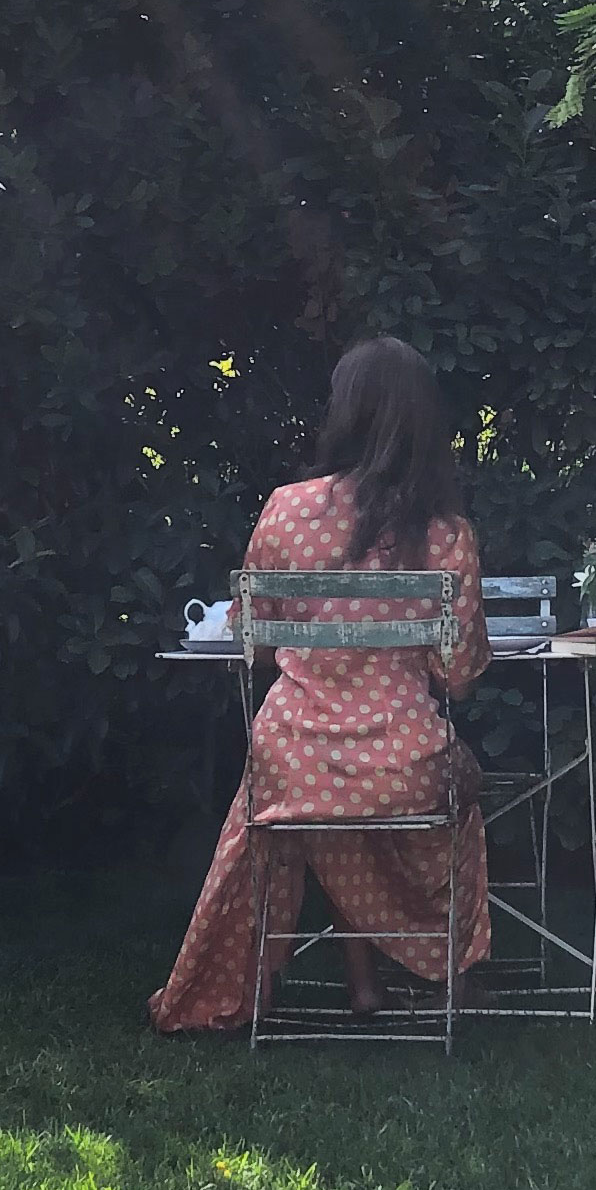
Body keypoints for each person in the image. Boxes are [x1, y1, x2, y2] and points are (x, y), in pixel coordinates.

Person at [152, 336, 492, 1031]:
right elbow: (457, 678)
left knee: (324, 801)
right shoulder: (445, 533)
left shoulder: (284, 510)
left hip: (291, 755)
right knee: (458, 786)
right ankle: (455, 977)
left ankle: (362, 984)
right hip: (402, 760)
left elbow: (255, 637)